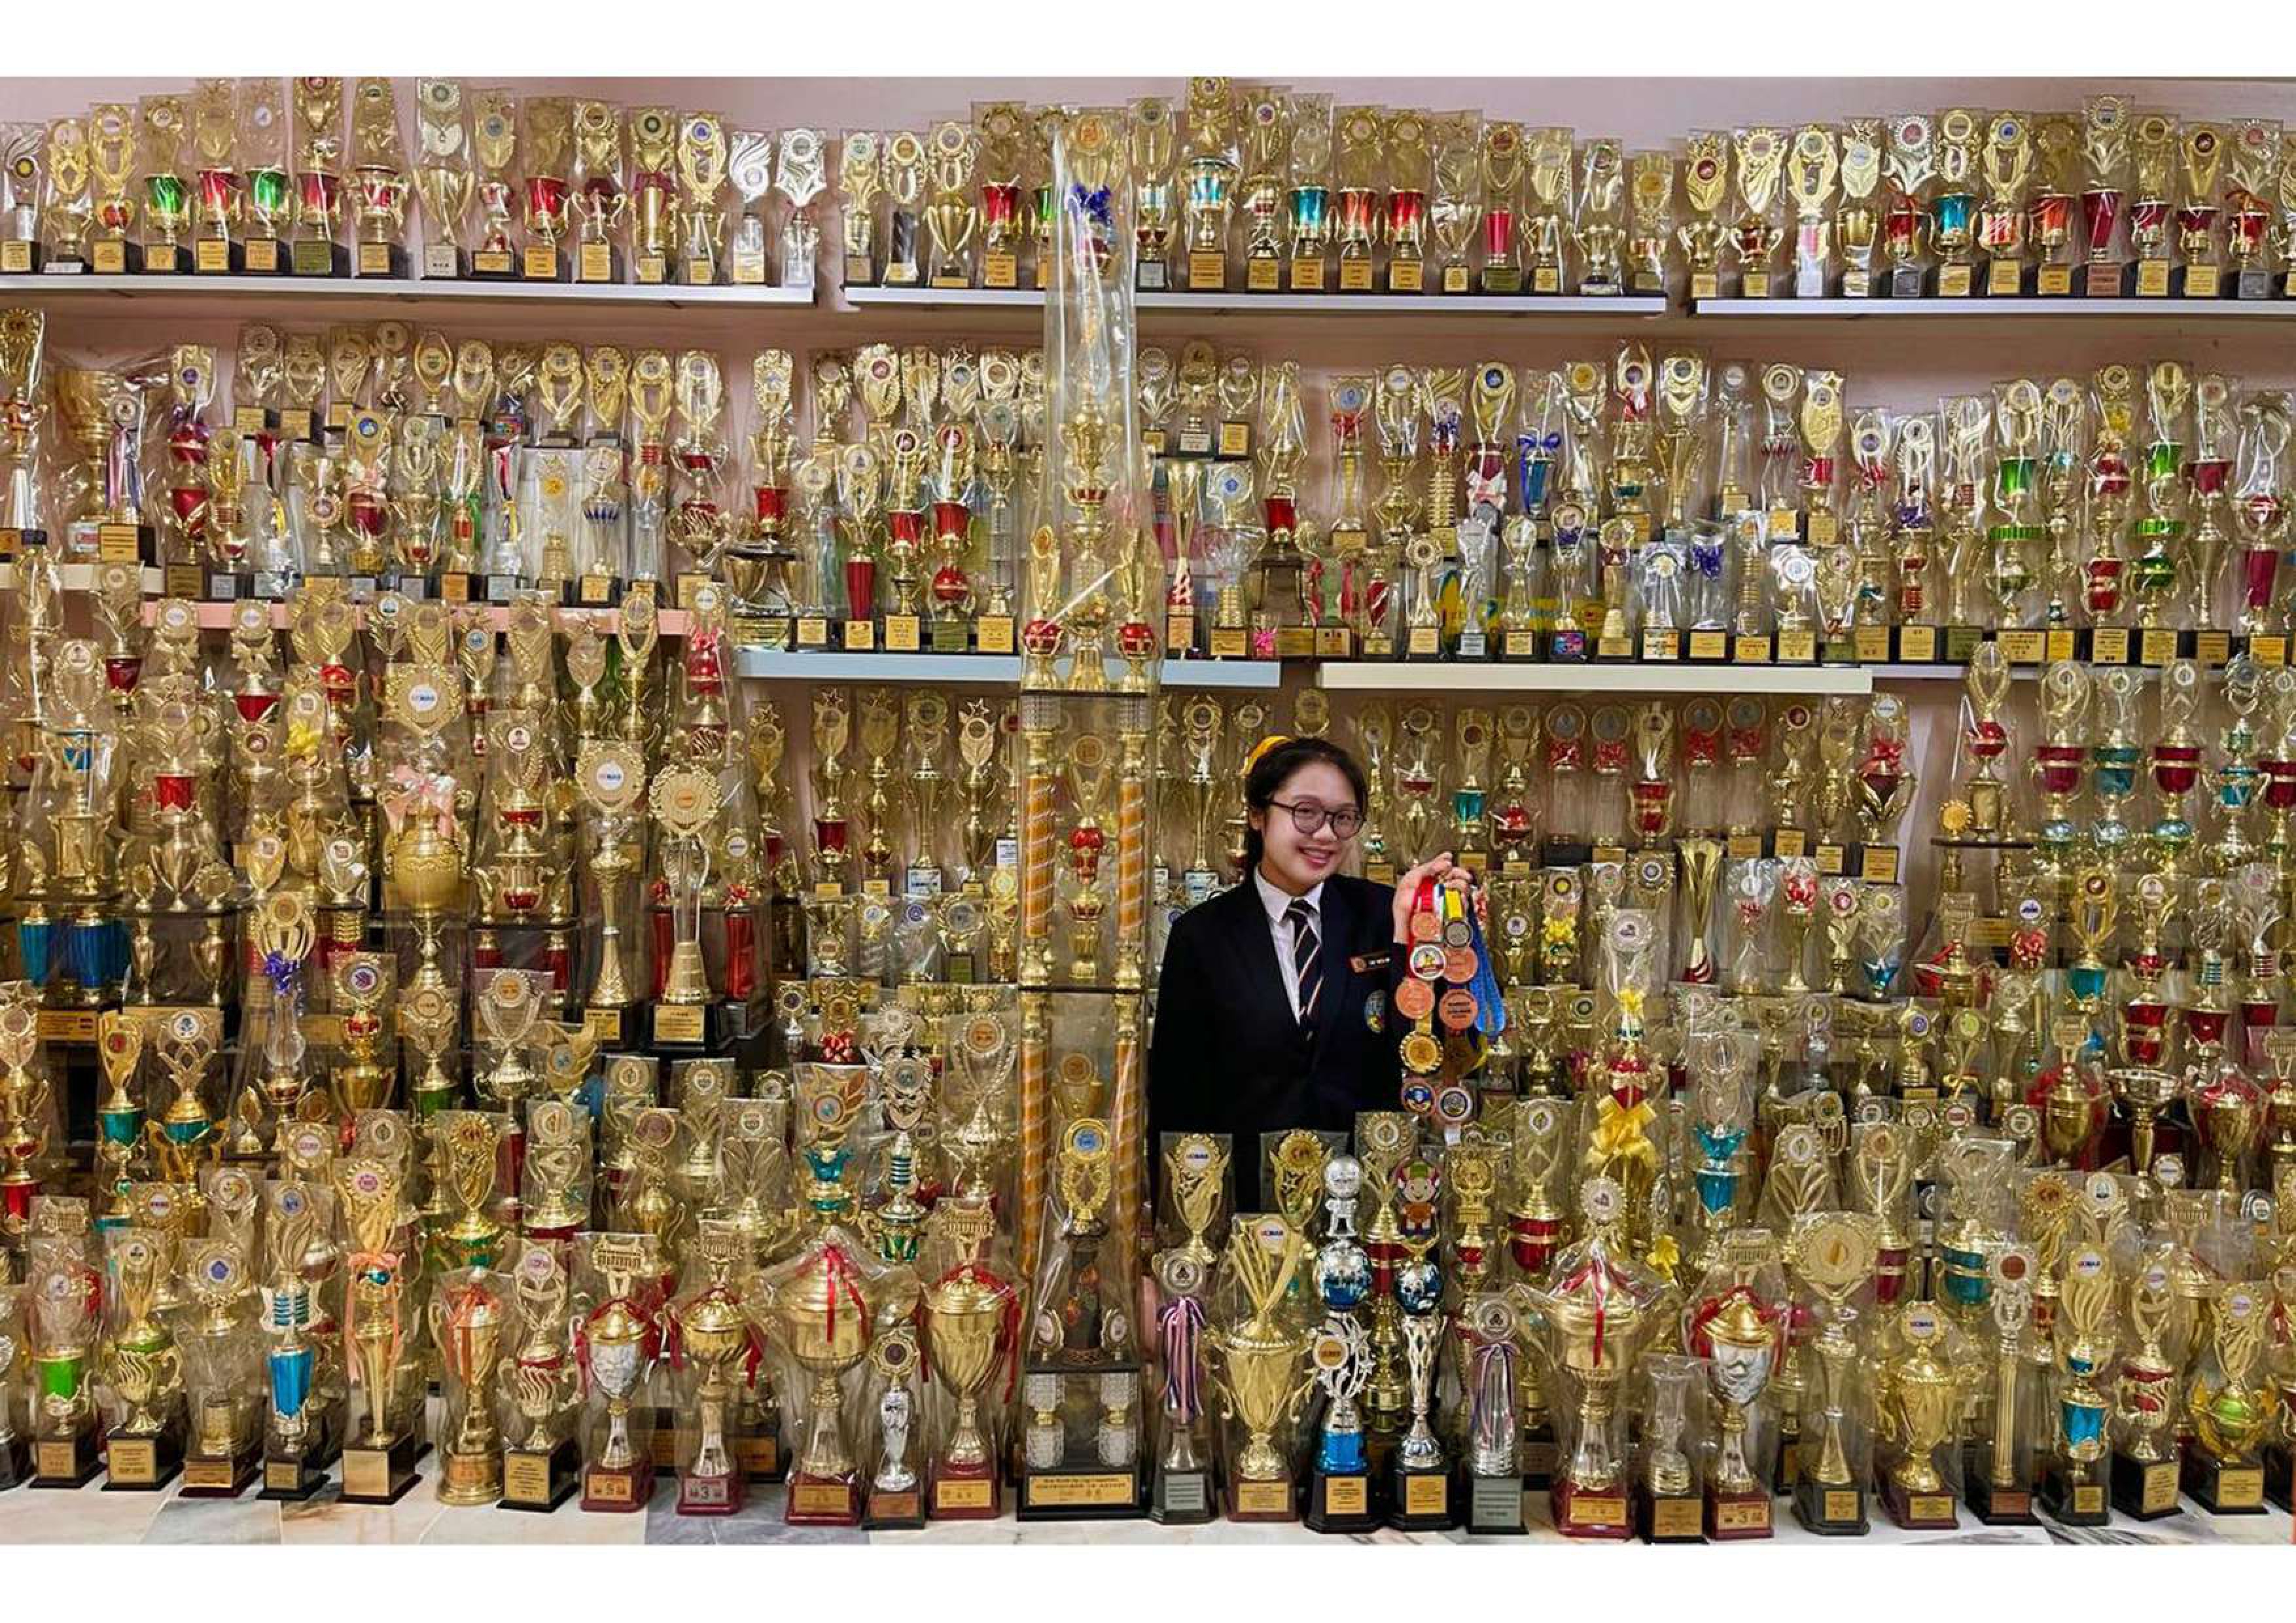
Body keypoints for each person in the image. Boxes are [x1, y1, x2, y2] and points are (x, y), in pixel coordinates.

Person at [1148, 734, 1469, 1211]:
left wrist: (1442, 930)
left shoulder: (1384, 915)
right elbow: (1175, 1095)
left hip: (1368, 1204)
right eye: (1305, 812)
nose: (1324, 835)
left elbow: (1427, 1049)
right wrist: (1178, 1231)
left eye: (1342, 818)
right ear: (1258, 815)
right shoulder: (1202, 936)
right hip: (1245, 1209)